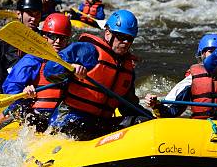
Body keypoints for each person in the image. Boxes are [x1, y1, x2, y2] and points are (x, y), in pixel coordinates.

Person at [44, 9, 150, 140]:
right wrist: (70, 68)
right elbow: (49, 71)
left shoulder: (127, 70)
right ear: (107, 34)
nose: (126, 43)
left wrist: (152, 119)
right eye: (122, 37)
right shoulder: (86, 51)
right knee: (85, 128)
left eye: (130, 39)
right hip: (70, 119)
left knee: (142, 121)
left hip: (100, 124)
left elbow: (128, 106)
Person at [0, 13, 72, 132]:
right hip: (35, 115)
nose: (58, 41)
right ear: (44, 38)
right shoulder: (32, 60)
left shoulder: (72, 63)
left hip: (60, 115)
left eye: (62, 38)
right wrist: (24, 95)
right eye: (53, 36)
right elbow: (10, 88)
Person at [144, 34, 217, 120]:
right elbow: (171, 112)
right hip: (201, 125)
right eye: (211, 52)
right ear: (202, 55)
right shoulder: (192, 79)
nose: (215, 55)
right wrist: (155, 105)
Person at [0, 0, 42, 93]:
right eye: (30, 14)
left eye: (37, 14)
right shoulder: (4, 45)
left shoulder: (45, 40)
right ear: (19, 14)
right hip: (13, 93)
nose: (34, 19)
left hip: (37, 92)